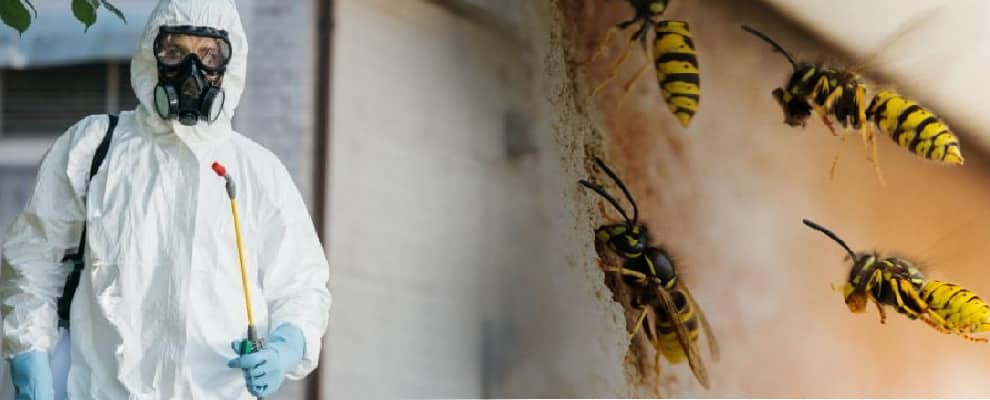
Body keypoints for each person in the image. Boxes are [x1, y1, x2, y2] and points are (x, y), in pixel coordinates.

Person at [0, 0, 331, 398]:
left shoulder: (257, 172)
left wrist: (286, 345)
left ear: (231, 65)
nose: (192, 72)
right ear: (150, 55)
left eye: (209, 55)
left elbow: (302, 284)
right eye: (175, 52)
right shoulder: (94, 149)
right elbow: (34, 258)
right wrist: (29, 358)